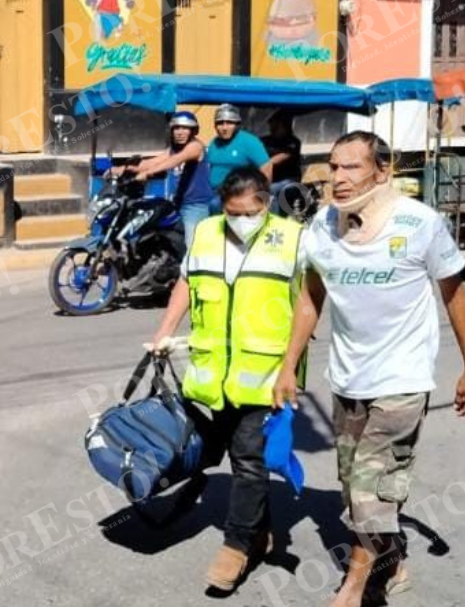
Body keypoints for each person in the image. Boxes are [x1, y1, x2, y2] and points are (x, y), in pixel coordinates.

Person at [274, 131, 465, 607]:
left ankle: (354, 588)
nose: (338, 178)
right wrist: (287, 365)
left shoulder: (419, 223)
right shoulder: (321, 227)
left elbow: (455, 294)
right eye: (334, 167)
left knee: (368, 488)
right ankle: (391, 556)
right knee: (353, 486)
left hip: (402, 379)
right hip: (346, 379)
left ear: (383, 171)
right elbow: (310, 297)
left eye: (352, 167)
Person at [149, 167, 307, 594]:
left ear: (266, 202)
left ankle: (236, 545)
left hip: (268, 375)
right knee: (237, 458)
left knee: (251, 458)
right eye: (232, 212)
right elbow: (186, 280)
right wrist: (164, 329)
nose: (240, 220)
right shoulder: (205, 232)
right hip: (214, 374)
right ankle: (260, 533)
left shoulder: (293, 239)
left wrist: (291, 367)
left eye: (249, 212)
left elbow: (310, 304)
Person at [125, 111, 213, 247]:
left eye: (185, 128)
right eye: (176, 128)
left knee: (193, 248)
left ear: (193, 130)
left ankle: (193, 268)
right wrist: (122, 169)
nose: (180, 132)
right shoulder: (174, 149)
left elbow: (175, 161)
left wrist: (148, 173)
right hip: (177, 204)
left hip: (195, 206)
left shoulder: (195, 146)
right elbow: (154, 162)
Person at [205, 104, 272, 213]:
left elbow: (266, 166)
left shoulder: (249, 141)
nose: (224, 127)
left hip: (238, 194)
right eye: (220, 123)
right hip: (213, 193)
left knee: (215, 205)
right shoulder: (214, 143)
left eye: (229, 123)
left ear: (237, 125)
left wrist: (261, 196)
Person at [261, 111, 306, 217]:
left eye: (276, 125)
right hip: (268, 179)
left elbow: (277, 159)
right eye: (271, 125)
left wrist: (262, 162)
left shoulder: (293, 142)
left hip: (289, 180)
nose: (272, 128)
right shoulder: (265, 141)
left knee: (271, 189)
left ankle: (274, 222)